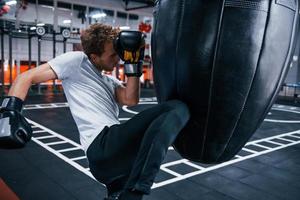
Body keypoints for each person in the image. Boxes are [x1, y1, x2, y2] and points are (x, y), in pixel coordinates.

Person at [0, 23, 190, 200]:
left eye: (118, 53)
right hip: (103, 145)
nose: (117, 59)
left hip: (110, 167)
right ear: (94, 57)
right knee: (176, 108)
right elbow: (26, 77)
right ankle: (137, 189)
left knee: (120, 191)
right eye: (112, 55)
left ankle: (124, 191)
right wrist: (10, 112)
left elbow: (130, 99)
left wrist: (133, 63)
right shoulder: (77, 62)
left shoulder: (109, 81)